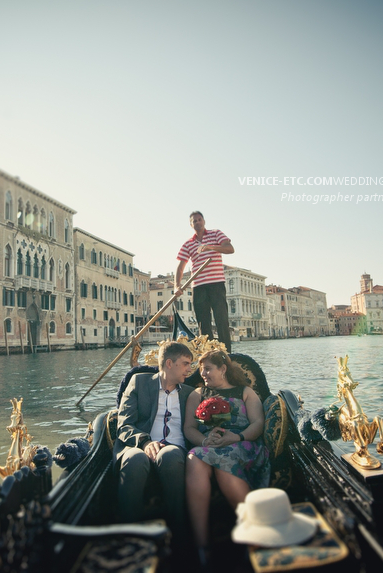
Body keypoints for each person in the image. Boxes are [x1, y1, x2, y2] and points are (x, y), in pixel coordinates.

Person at [184, 350, 270, 560]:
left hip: (243, 443)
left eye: (207, 369)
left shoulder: (246, 392)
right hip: (210, 445)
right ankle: (202, 546)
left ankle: (255, 536)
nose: (202, 373)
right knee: (194, 458)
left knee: (223, 460)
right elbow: (189, 428)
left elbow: (258, 424)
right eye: (201, 369)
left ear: (223, 369)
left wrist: (237, 437)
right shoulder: (197, 394)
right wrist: (205, 441)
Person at [115, 341, 195, 537]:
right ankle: (128, 536)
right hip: (138, 445)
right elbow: (124, 424)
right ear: (169, 363)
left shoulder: (190, 393)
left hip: (175, 448)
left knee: (169, 455)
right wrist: (144, 442)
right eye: (185, 363)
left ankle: (179, 535)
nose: (189, 369)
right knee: (134, 459)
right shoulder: (139, 382)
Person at [175, 211, 234, 351]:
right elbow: (180, 267)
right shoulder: (188, 244)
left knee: (222, 320)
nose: (197, 222)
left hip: (217, 284)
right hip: (199, 286)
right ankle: (208, 354)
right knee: (203, 323)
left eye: (199, 219)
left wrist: (210, 247)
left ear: (204, 221)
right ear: (191, 225)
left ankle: (226, 353)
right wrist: (177, 285)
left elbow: (230, 249)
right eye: (194, 221)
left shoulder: (216, 234)